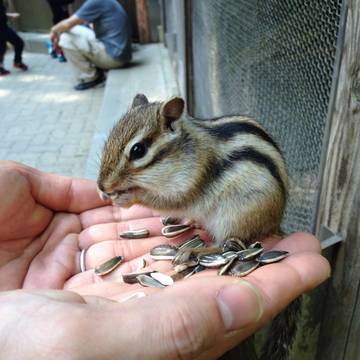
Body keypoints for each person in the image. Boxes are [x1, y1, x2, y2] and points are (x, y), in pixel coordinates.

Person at [0, 160, 330, 359]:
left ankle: (224, 244)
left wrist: (141, 194)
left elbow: (183, 197)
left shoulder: (192, 166)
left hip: (246, 207)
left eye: (139, 155)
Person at [50, 0, 132, 91]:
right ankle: (95, 70)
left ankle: (90, 78)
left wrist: (53, 32)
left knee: (66, 38)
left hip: (115, 58)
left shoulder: (96, 1)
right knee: (73, 30)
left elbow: (67, 24)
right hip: (122, 54)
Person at [0, 0, 28, 76]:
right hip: (2, 29)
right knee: (4, 48)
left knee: (17, 43)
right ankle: (15, 63)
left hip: (4, 27)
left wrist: (10, 15)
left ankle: (17, 62)